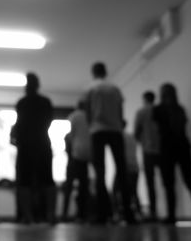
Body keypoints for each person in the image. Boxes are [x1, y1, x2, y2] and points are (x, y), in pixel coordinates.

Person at [83, 61, 135, 223]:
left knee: (100, 172)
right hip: (115, 131)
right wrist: (118, 124)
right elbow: (120, 110)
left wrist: (91, 126)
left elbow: (87, 112)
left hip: (98, 130)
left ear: (93, 72)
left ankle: (103, 214)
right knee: (122, 170)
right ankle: (128, 213)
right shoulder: (114, 89)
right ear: (105, 72)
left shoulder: (90, 88)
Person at [153, 83, 191, 224]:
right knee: (190, 181)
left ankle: (171, 216)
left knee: (169, 185)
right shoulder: (180, 109)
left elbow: (156, 131)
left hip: (167, 149)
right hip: (182, 147)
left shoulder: (158, 109)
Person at [13, 72, 55, 224]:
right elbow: (48, 121)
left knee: (26, 182)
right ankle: (47, 215)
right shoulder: (44, 102)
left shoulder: (23, 102)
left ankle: (30, 216)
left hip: (28, 144)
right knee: (46, 180)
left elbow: (19, 124)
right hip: (41, 142)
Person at [61, 99, 91, 222]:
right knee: (83, 189)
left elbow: (70, 135)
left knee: (68, 188)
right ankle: (82, 215)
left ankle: (64, 215)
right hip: (85, 156)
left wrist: (69, 148)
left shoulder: (74, 116)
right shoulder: (89, 117)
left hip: (74, 156)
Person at [134, 91, 160, 221]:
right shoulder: (159, 110)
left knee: (150, 183)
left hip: (148, 150)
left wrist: (142, 141)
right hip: (161, 149)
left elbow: (137, 132)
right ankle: (168, 212)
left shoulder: (141, 112)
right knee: (167, 182)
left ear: (144, 99)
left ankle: (154, 212)